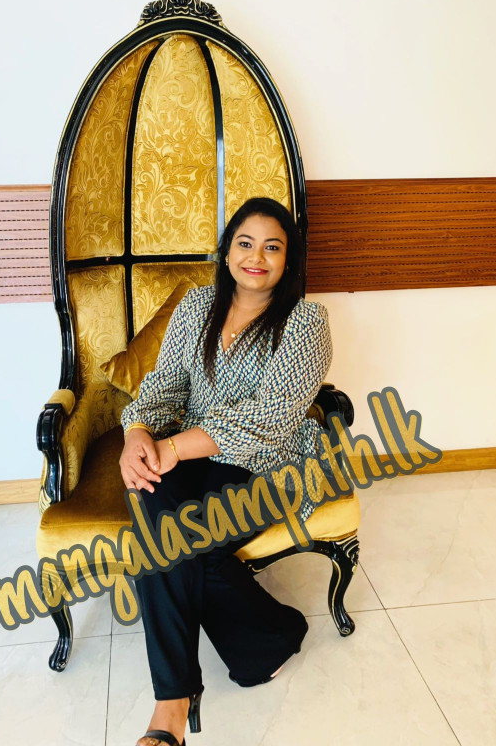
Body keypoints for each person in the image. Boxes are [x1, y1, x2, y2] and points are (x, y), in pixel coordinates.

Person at [119, 197, 333, 746]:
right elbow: (166, 384)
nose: (256, 257)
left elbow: (268, 419)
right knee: (161, 523)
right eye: (245, 243)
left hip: (271, 464)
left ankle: (174, 707)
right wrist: (137, 432)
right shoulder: (197, 305)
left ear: (289, 260)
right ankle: (201, 681)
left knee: (174, 543)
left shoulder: (306, 323)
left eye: (272, 247)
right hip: (192, 451)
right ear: (227, 250)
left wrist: (173, 448)